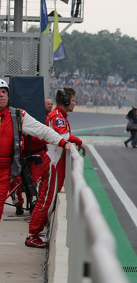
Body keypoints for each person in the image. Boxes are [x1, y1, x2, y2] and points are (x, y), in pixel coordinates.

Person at [26, 87, 84, 248]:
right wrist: (79, 142)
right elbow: (63, 136)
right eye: (72, 100)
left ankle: (34, 232)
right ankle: (33, 235)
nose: (74, 103)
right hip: (53, 162)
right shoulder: (57, 116)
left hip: (54, 162)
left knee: (47, 198)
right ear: (65, 101)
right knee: (47, 199)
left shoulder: (59, 116)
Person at [11, 98, 55, 215]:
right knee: (15, 181)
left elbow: (45, 138)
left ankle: (34, 205)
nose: (50, 106)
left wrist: (30, 134)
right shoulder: (18, 117)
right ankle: (18, 204)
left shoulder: (47, 120)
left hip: (37, 154)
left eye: (51, 104)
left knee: (37, 181)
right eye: (48, 104)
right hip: (21, 154)